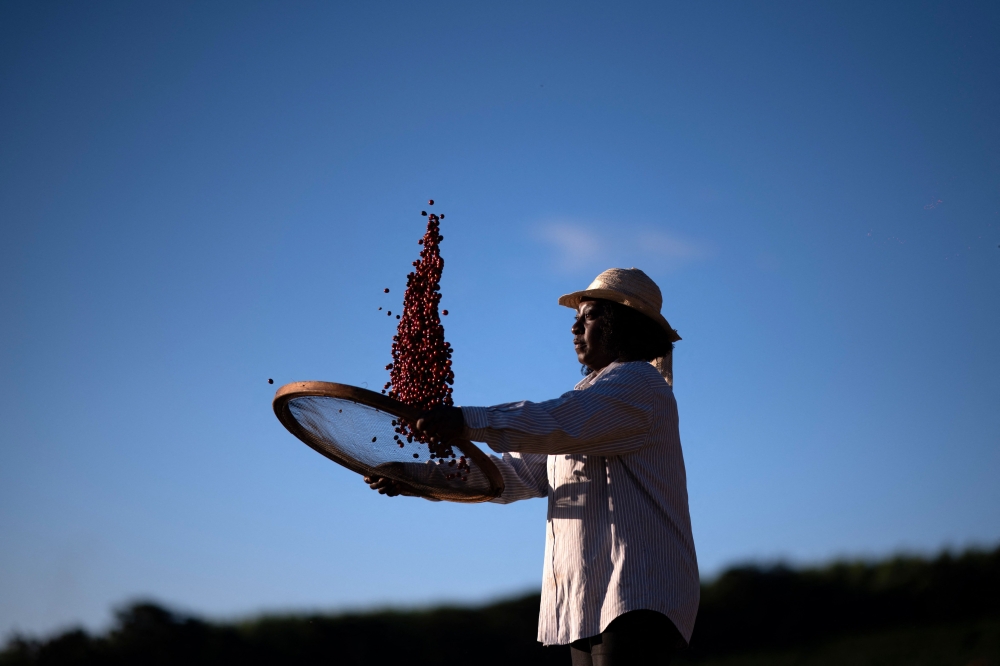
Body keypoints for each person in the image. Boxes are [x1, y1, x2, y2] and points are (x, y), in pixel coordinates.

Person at [365, 268, 699, 666]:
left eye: (589, 316)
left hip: (638, 594)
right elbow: (514, 475)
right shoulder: (589, 398)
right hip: (591, 598)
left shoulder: (638, 385)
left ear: (622, 325)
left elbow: (559, 421)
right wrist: (415, 477)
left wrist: (466, 420)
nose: (575, 327)